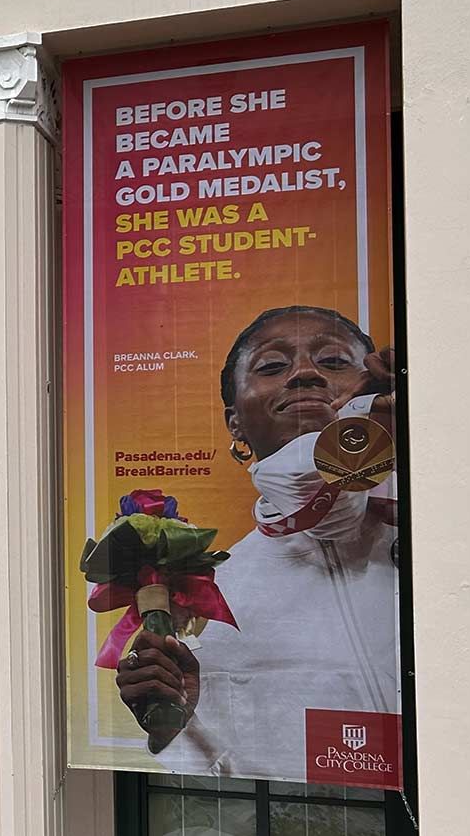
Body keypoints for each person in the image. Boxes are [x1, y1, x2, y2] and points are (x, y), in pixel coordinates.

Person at [115, 306, 399, 779]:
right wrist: (176, 731)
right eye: (272, 366)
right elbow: (218, 787)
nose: (306, 373)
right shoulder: (212, 602)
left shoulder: (445, 536)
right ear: (235, 425)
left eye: (333, 361)